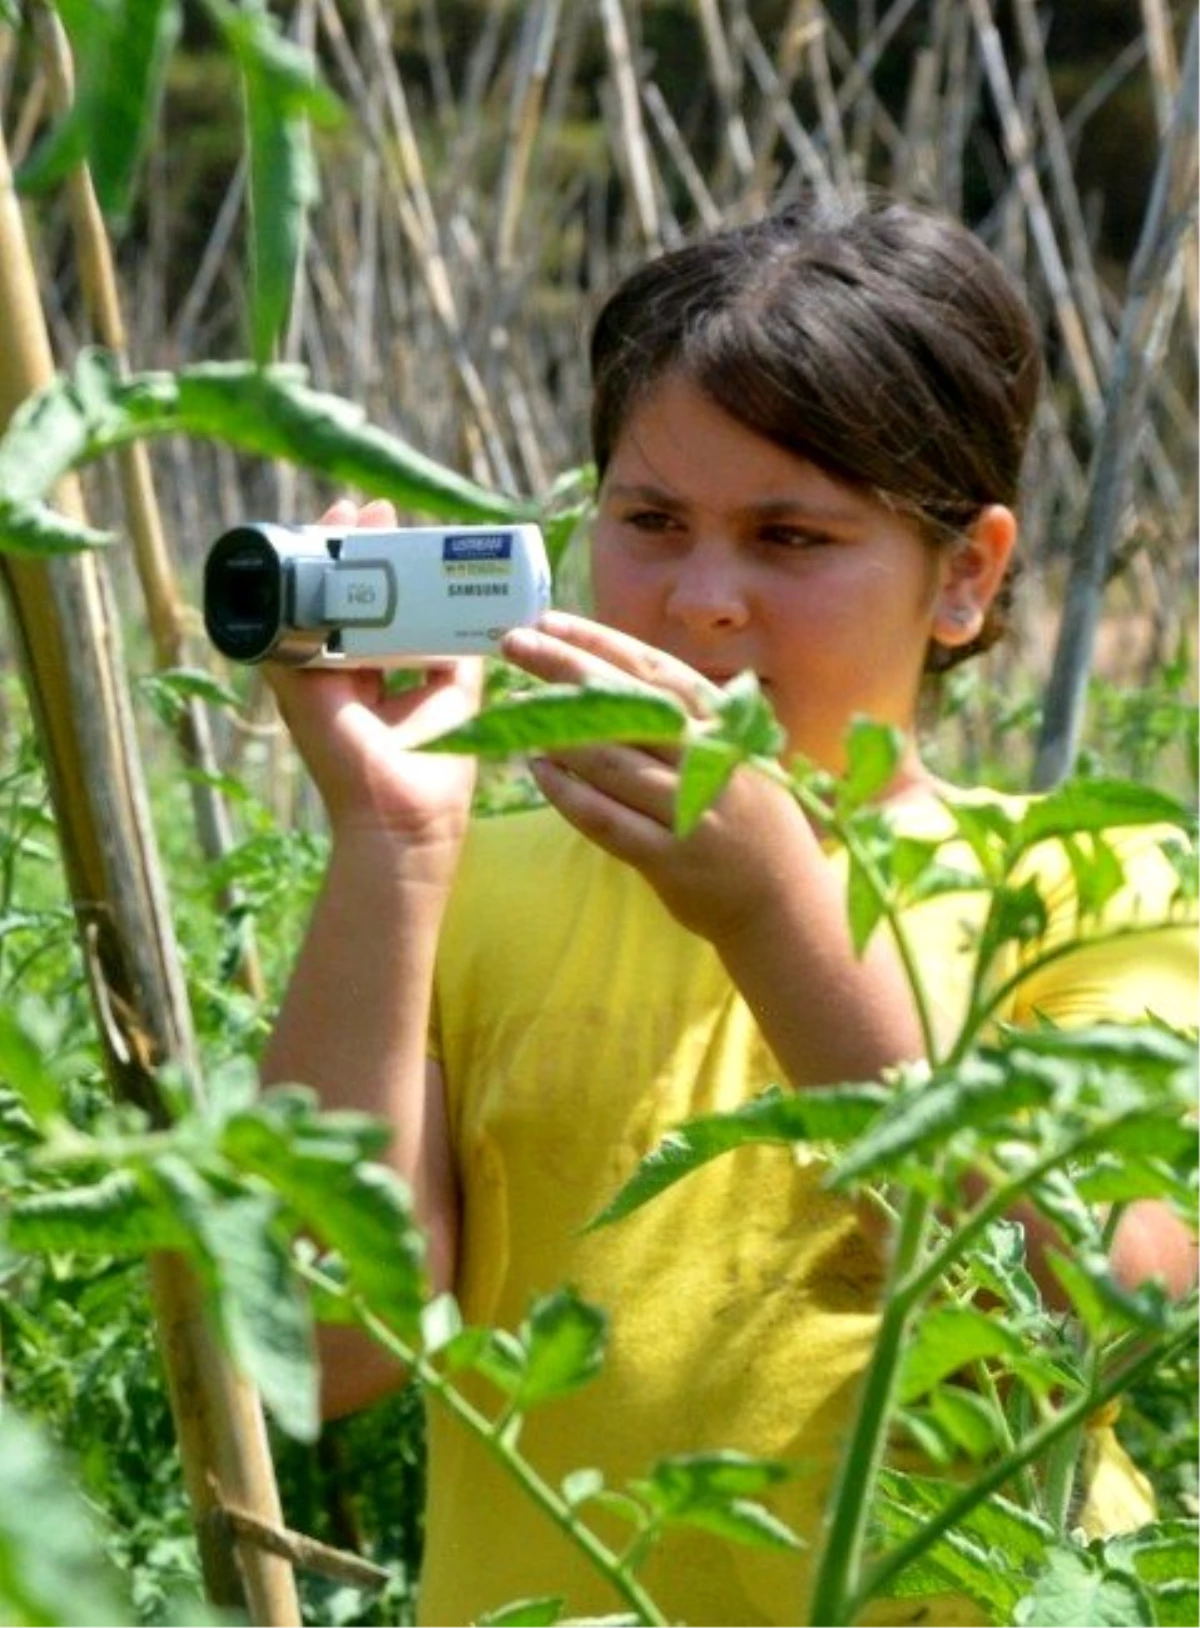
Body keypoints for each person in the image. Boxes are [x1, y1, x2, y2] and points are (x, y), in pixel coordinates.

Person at [263, 191, 1199, 1626]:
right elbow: (313, 1353)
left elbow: (1100, 1320)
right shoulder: (470, 886)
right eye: (650, 521)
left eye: (792, 537)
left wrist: (777, 917)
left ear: (965, 576)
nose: (700, 599)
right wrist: (387, 837)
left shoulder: (1095, 890)